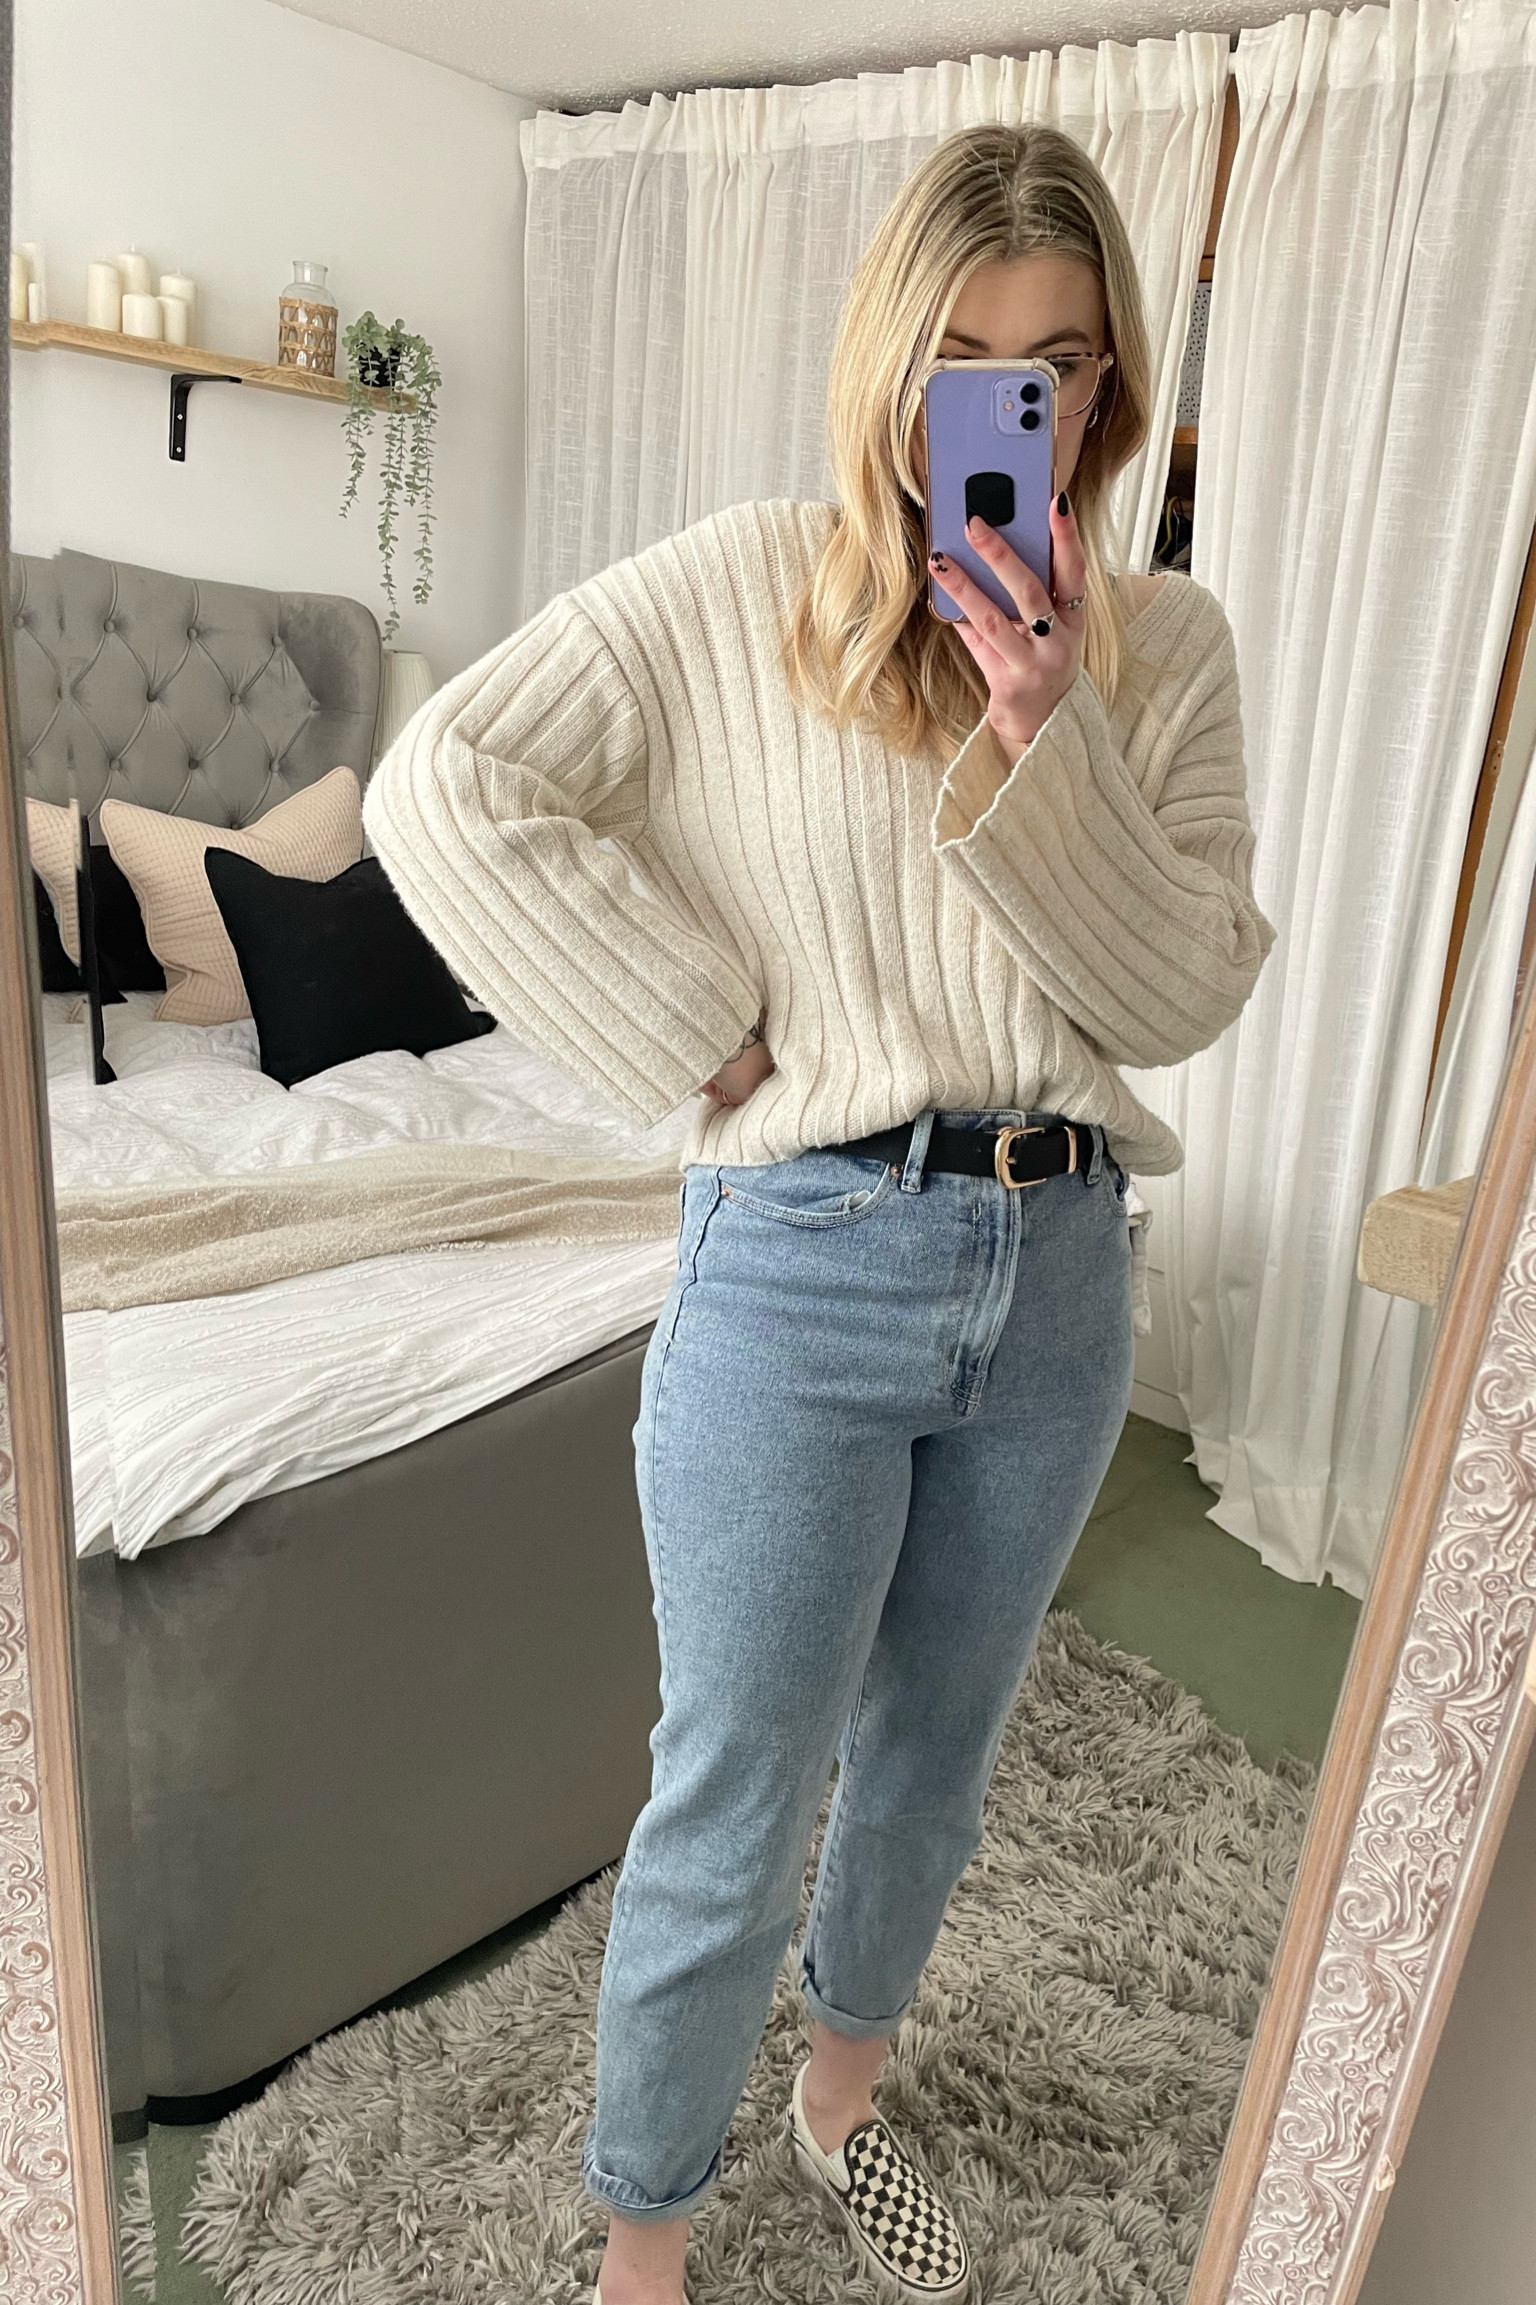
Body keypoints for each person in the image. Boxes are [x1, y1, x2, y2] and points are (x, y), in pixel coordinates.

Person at [364, 119, 1277, 2305]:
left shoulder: (1166, 645)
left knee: (936, 1760)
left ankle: (841, 2099)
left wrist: (1047, 727)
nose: (1013, 403)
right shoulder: (742, 585)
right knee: (736, 1783)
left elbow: (1181, 990)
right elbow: (443, 785)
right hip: (801, 1271)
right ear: (891, 357)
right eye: (968, 357)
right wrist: (690, 1022)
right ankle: (644, 2241)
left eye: (1059, 362)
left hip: (1059, 1283)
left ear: (1110, 381)